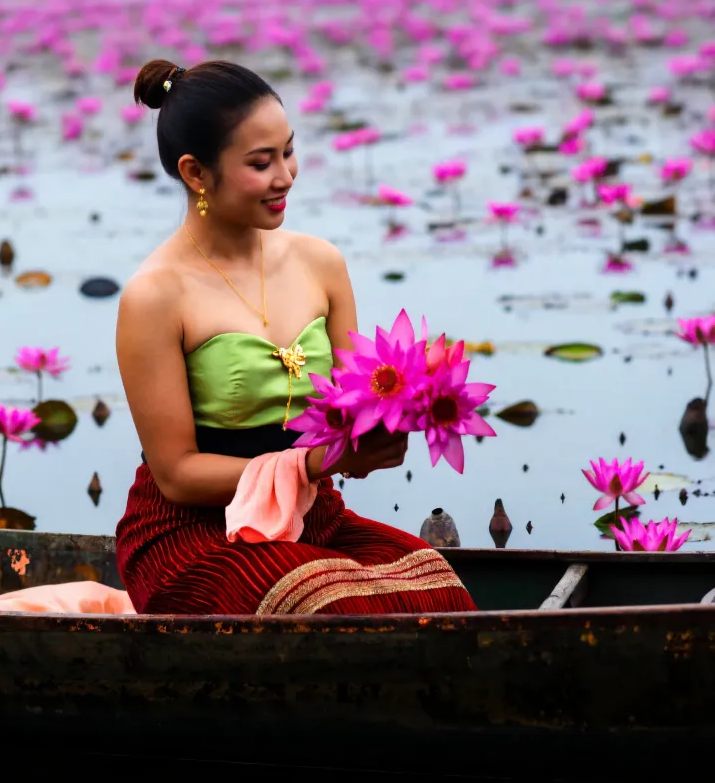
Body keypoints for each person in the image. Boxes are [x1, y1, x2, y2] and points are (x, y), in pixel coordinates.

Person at [115, 59, 476, 616]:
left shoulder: (320, 262)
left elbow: (352, 411)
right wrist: (313, 463)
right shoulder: (154, 295)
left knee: (442, 592)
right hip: (193, 535)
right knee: (333, 606)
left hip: (312, 518)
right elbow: (178, 475)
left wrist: (407, 406)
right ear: (195, 173)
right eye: (261, 163)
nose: (285, 175)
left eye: (288, 151)